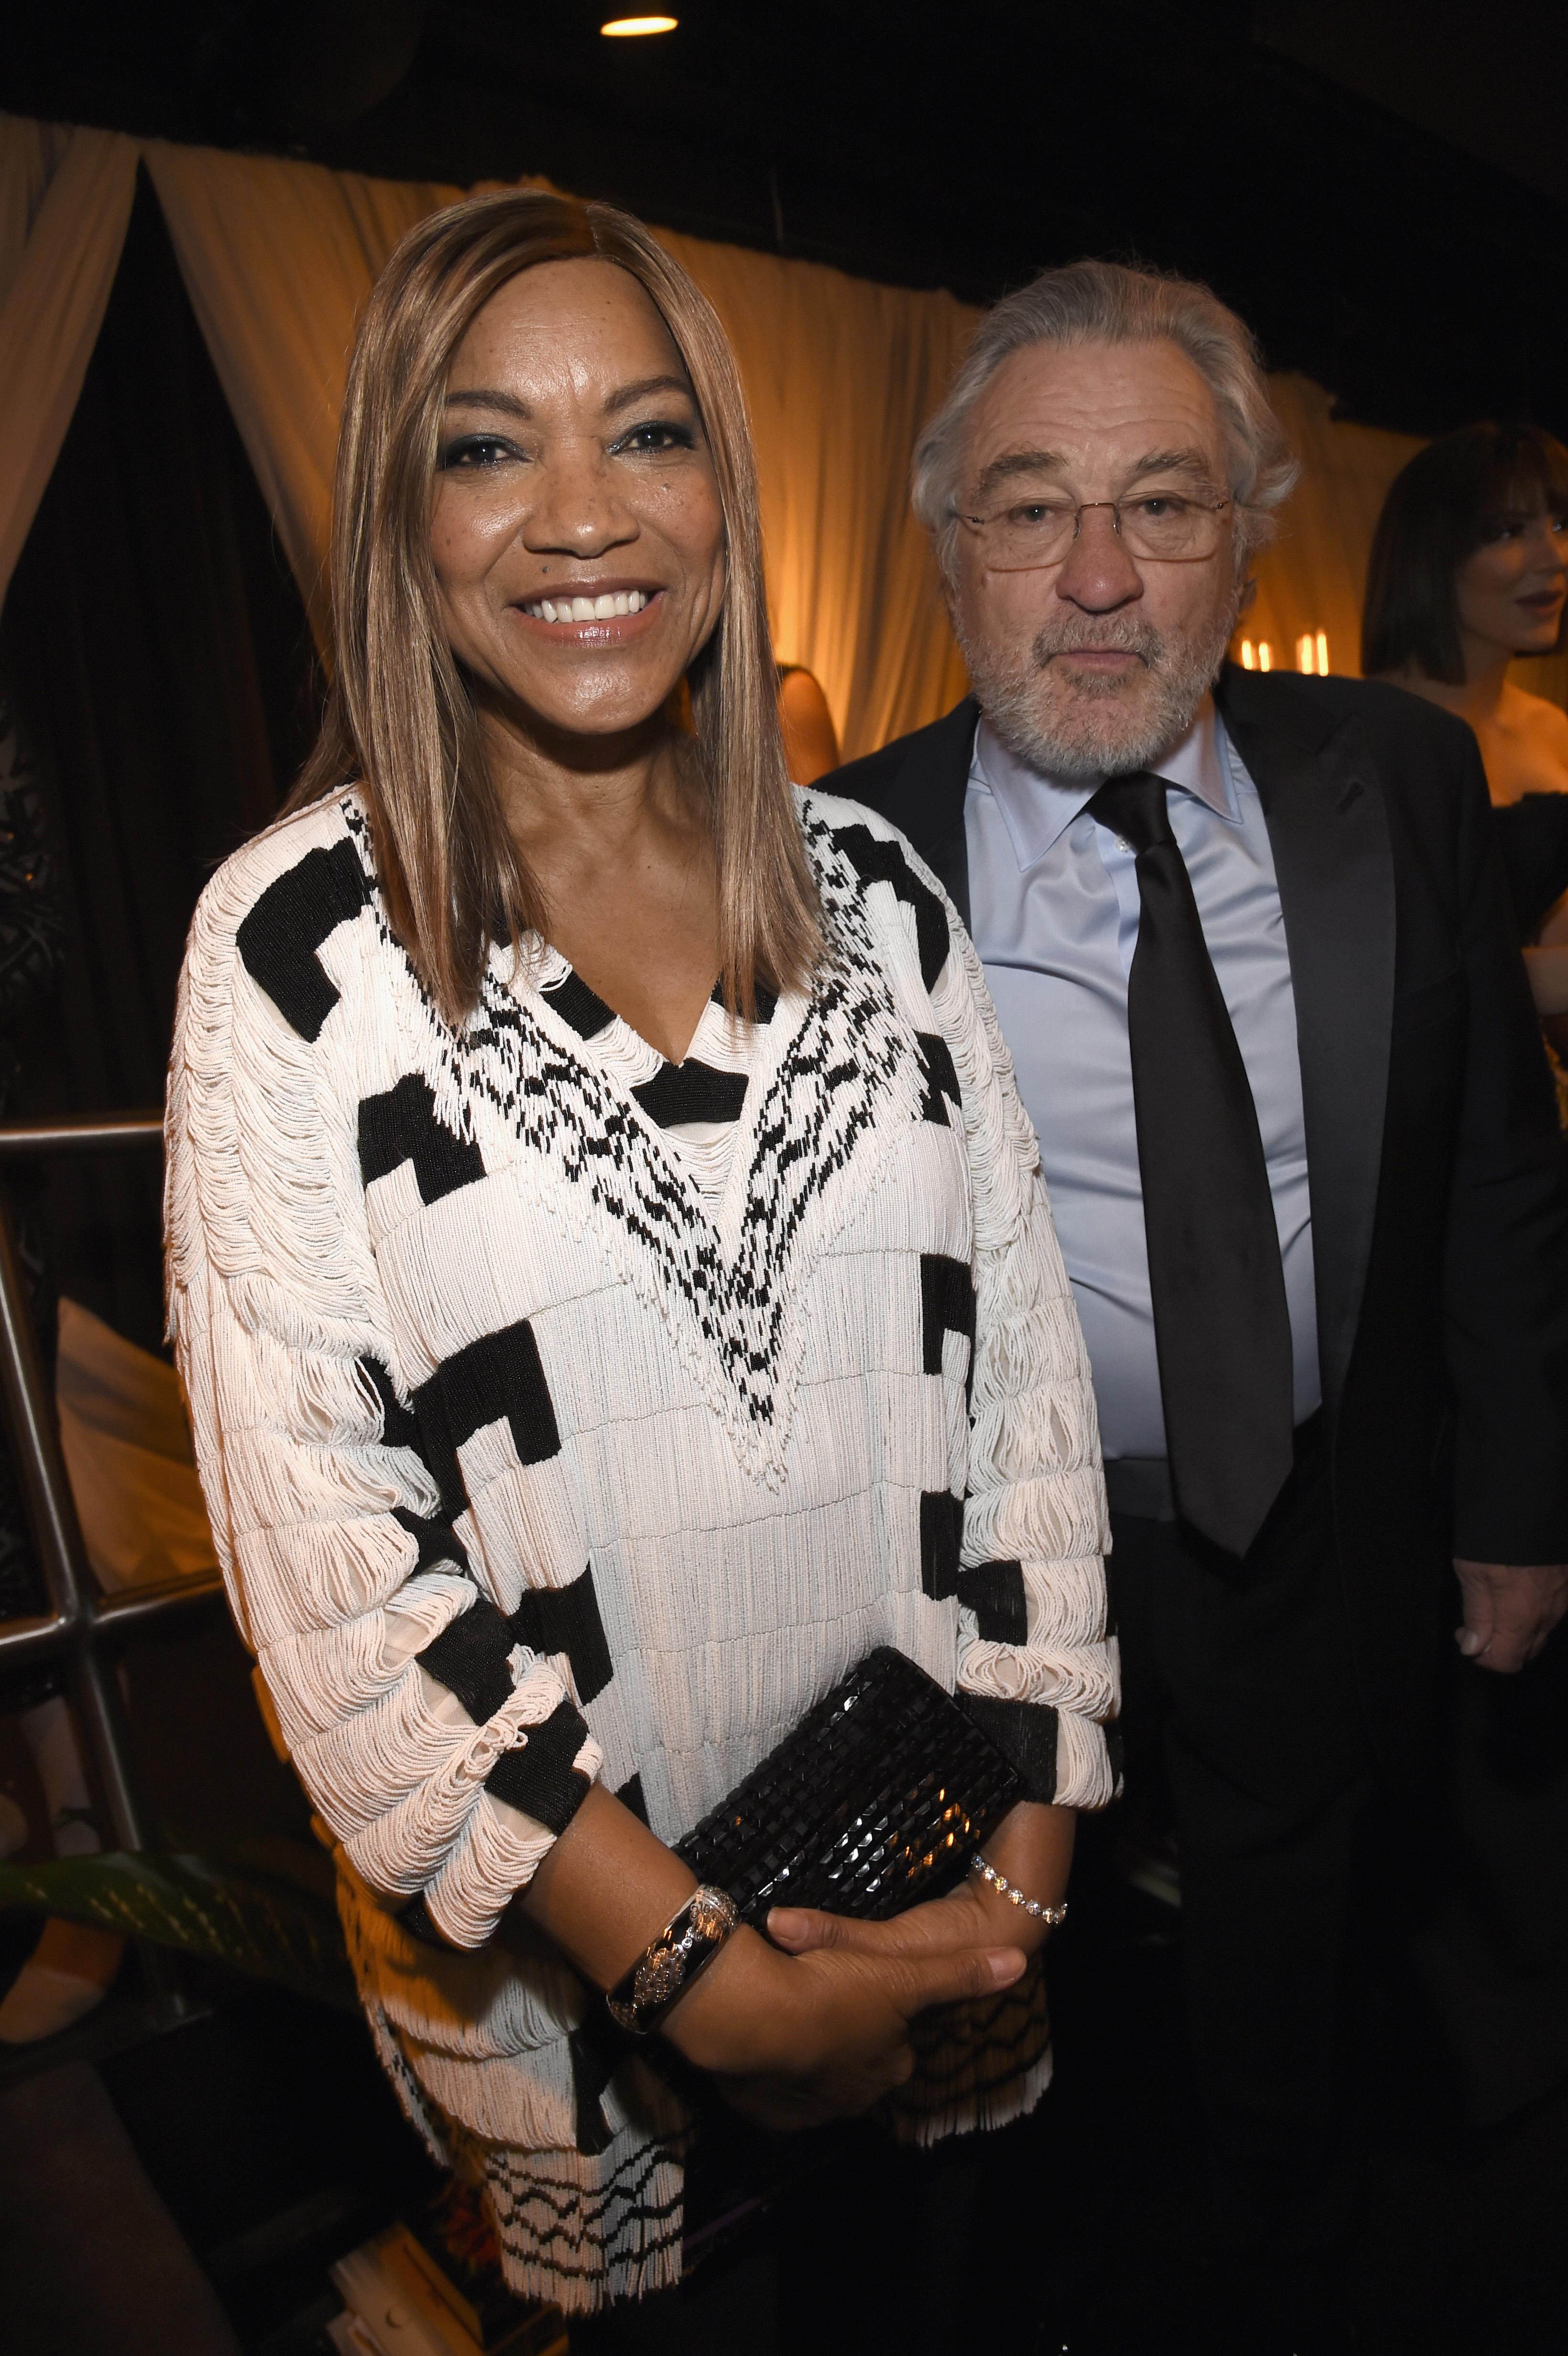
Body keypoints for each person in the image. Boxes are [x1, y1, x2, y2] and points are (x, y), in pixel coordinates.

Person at [163, 191, 1116, 2337]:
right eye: (488, 446)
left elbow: (1028, 1399)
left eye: (650, 434)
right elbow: (338, 1586)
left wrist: (1009, 1889)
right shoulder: (303, 955)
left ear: (730, 488)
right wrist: (688, 1967)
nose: (582, 515)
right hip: (577, 2002)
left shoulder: (877, 893)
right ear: (398, 516)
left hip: (937, 1881)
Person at [827, 260, 1568, 2353]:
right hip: (981, 1561)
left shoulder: (1397, 792)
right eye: (1025, 505)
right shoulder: (830, 864)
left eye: (1158, 504)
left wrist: (1518, 1496)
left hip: (1321, 1509)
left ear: (1249, 527)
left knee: (1293, 1944)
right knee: (995, 1995)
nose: (1091, 578)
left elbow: (1500, 1177)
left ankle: (1280, 2270)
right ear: (944, 536)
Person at [1363, 424, 1568, 1086]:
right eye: (1508, 531)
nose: (1553, 557)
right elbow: (1383, 979)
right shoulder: (1362, 741)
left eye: (1561, 524)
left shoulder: (1553, 732)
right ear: (1431, 555)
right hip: (1429, 1109)